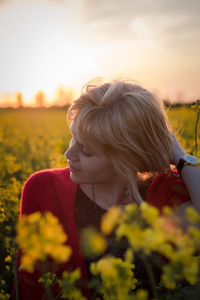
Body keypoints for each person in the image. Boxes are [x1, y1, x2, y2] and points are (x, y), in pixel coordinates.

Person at [13, 80, 200, 300]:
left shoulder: (169, 192)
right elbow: (29, 287)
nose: (68, 154)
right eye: (73, 138)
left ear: (125, 158)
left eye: (86, 150)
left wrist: (181, 159)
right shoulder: (44, 189)